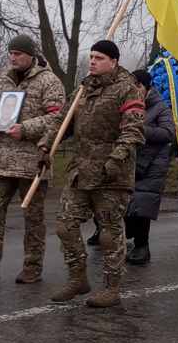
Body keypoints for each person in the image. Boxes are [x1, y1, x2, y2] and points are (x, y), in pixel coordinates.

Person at [0, 34, 66, 284]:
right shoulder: (4, 79)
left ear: (31, 55)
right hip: (2, 158)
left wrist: (26, 128)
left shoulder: (49, 81)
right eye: (11, 53)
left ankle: (32, 266)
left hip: (32, 160)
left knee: (33, 216)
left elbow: (58, 119)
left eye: (18, 53)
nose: (13, 57)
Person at [51, 40, 145, 308]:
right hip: (81, 171)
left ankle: (112, 287)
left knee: (109, 233)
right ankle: (78, 278)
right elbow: (62, 123)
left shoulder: (128, 89)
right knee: (65, 225)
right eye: (91, 57)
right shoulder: (83, 89)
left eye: (99, 57)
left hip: (111, 175)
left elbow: (133, 131)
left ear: (114, 62)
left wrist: (115, 160)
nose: (93, 61)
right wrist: (47, 144)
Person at [123, 69, 177, 266]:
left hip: (153, 162)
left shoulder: (159, 107)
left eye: (138, 85)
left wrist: (141, 130)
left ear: (146, 87)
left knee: (142, 204)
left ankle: (142, 247)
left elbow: (168, 132)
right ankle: (129, 235)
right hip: (129, 161)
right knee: (126, 204)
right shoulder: (125, 104)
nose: (134, 89)